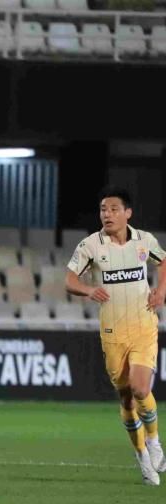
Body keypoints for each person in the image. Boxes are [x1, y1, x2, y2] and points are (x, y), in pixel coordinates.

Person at [65, 186, 166, 486]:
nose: (106, 215)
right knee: (125, 398)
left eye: (112, 209)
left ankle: (154, 440)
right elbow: (70, 279)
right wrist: (87, 289)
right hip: (112, 333)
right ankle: (141, 457)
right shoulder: (90, 246)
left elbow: (164, 261)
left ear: (127, 213)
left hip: (143, 327)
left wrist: (161, 290)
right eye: (102, 210)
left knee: (139, 387)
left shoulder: (144, 241)